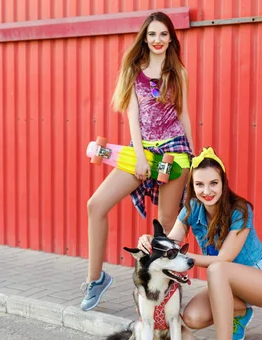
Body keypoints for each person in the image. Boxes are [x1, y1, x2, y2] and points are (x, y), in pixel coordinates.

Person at [137, 147, 262, 340]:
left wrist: (182, 257)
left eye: (213, 183)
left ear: (223, 183)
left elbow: (225, 259)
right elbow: (171, 240)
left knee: (217, 268)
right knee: (192, 318)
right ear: (193, 186)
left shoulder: (240, 211)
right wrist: (151, 240)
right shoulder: (192, 208)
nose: (207, 191)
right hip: (228, 282)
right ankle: (240, 313)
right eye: (200, 184)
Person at [80, 11, 195, 311]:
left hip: (175, 153)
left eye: (163, 34)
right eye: (152, 34)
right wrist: (141, 158)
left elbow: (183, 115)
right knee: (96, 205)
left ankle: (165, 300)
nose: (158, 40)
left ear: (171, 38)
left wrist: (193, 158)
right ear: (145, 37)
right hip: (141, 152)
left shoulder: (178, 72)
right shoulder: (133, 70)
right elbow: (133, 118)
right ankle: (96, 279)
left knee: (168, 226)